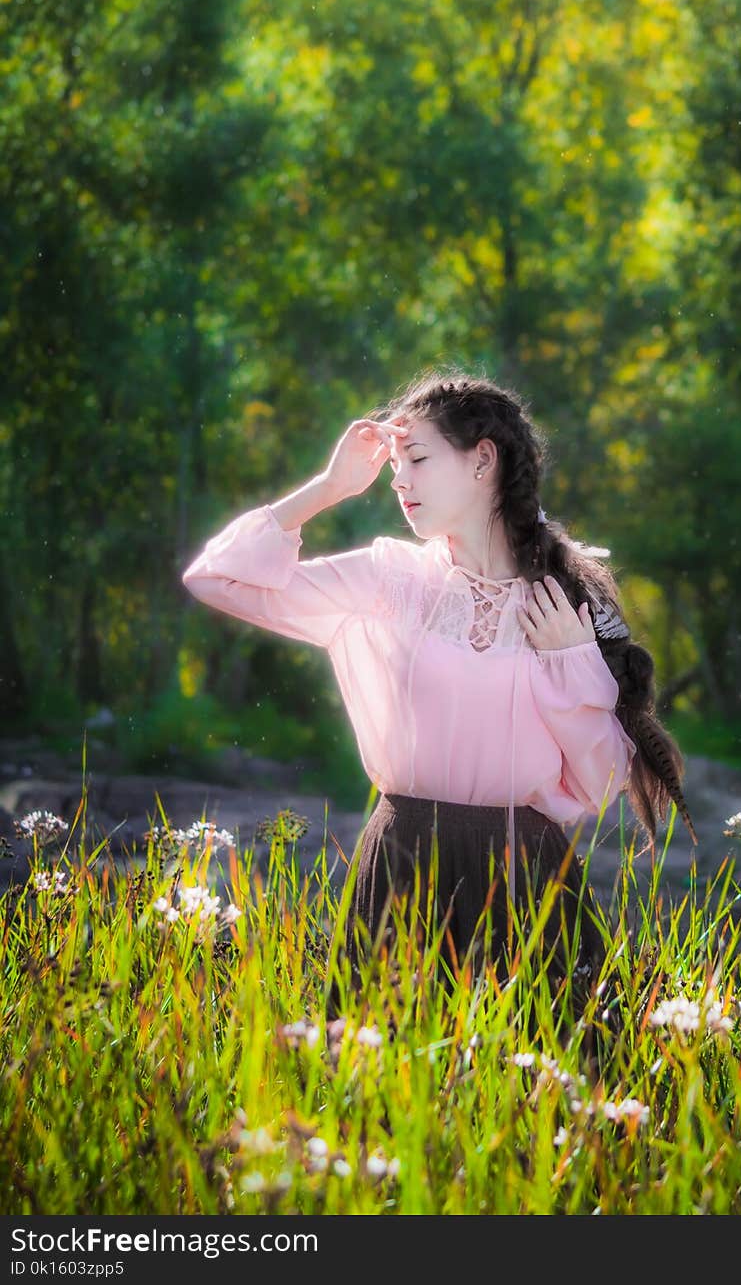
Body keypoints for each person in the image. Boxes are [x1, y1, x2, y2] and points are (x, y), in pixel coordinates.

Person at [181, 371, 694, 1022]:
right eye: (395, 466)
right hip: (403, 866)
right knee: (386, 1102)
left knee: (553, 1103)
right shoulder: (389, 579)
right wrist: (329, 488)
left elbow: (595, 783)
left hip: (530, 878)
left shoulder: (561, 602)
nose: (398, 481)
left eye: (417, 459)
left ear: (483, 460)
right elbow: (214, 580)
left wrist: (570, 660)